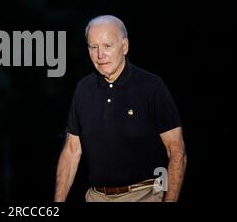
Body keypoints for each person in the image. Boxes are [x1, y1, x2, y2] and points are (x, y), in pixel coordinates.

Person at [54, 15, 187, 202]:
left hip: (145, 194)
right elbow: (71, 150)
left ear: (124, 46)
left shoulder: (151, 86)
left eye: (107, 46)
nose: (100, 55)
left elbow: (176, 150)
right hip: (95, 197)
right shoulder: (83, 89)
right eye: (93, 47)